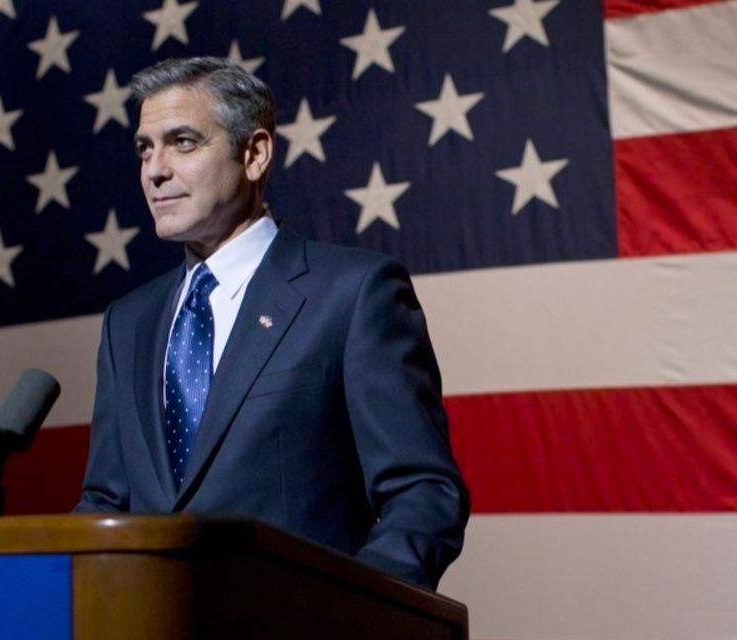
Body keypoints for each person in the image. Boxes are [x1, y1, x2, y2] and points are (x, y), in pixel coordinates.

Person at [74, 56, 470, 591]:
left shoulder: (352, 294)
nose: (155, 170)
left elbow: (422, 493)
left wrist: (347, 615)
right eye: (145, 148)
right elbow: (105, 501)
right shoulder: (128, 323)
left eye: (183, 142)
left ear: (255, 153)